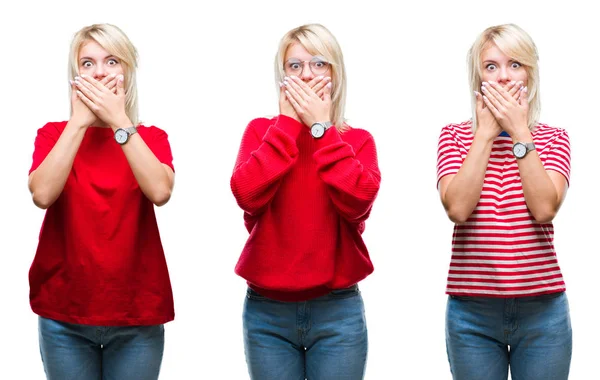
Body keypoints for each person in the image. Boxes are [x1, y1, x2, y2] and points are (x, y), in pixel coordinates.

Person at [230, 23, 381, 380]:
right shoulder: (260, 132)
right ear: (282, 78)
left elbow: (358, 200)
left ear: (335, 74)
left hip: (337, 310)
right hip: (267, 312)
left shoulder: (356, 141)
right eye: (294, 66)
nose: (306, 75)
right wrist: (285, 125)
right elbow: (246, 195)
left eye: (318, 64)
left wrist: (322, 130)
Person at [27, 23, 175, 380]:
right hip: (64, 313)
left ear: (127, 71)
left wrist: (119, 120)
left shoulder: (150, 137)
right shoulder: (53, 135)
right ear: (75, 74)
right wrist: (78, 123)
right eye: (88, 63)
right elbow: (42, 194)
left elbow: (160, 191)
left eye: (112, 61)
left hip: (137, 315)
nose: (100, 72)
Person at [436, 23, 572, 380]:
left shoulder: (554, 139)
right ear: (478, 78)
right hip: (471, 315)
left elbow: (545, 209)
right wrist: (484, 134)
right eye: (491, 66)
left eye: (515, 64)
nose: (503, 77)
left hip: (543, 312)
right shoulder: (453, 136)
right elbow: (458, 209)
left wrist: (520, 132)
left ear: (530, 73)